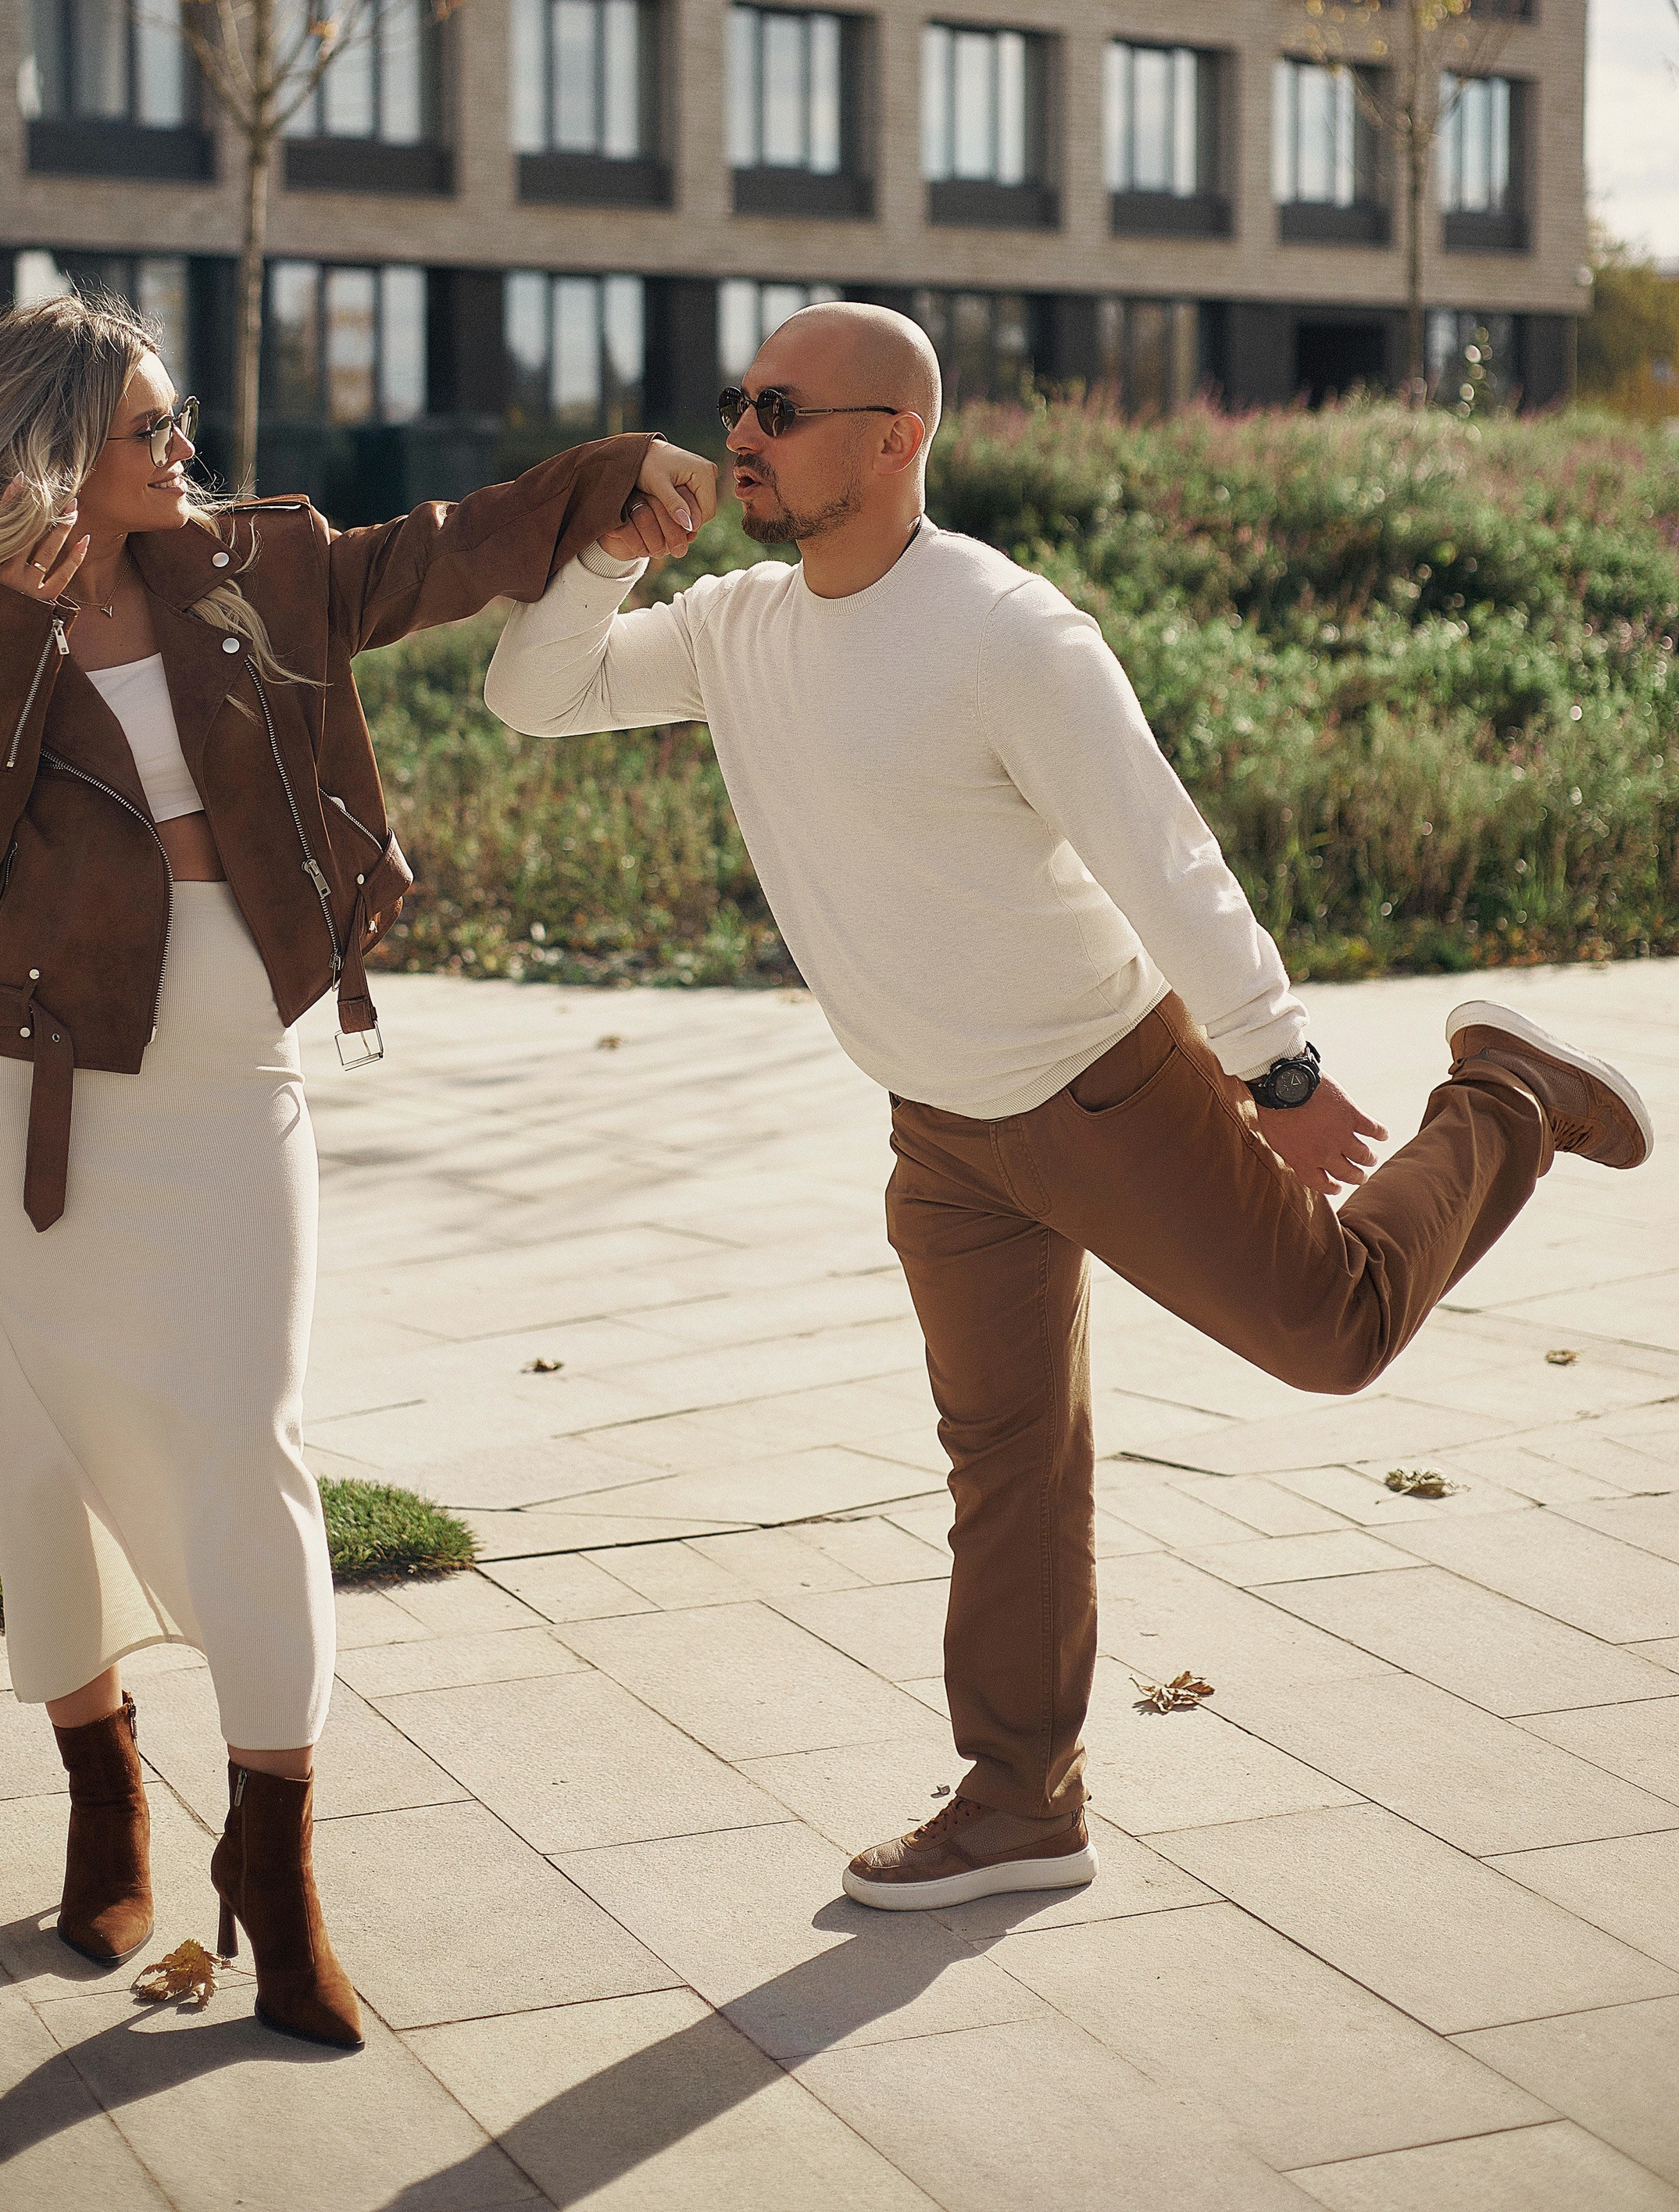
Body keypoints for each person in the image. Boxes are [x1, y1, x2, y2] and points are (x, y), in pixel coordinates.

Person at [484, 301, 1652, 1912]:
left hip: (1095, 1086)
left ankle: (1503, 1098)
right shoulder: (738, 625)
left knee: (1331, 1333)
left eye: (779, 408)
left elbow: (1153, 851)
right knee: (1005, 1463)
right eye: (735, 403)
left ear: (894, 439)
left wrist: (1275, 1067)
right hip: (937, 1127)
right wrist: (602, 554)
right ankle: (1019, 1800)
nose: (738, 434)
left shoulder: (1002, 632)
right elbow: (533, 698)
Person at [0, 292, 715, 2042]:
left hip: (227, 1077)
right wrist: (13, 642)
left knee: (247, 1436)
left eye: (178, 424)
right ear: (54, 458)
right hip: (27, 1096)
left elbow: (445, 551)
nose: (187, 450)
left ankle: (277, 1850)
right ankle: (103, 1795)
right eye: (151, 431)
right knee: (41, 1451)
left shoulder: (258, 564)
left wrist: (600, 479)